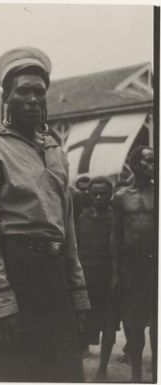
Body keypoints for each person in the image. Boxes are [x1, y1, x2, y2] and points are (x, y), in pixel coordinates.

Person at [0, 47, 90, 382]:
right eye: (23, 91)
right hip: (17, 279)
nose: (33, 99)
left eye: (39, 92)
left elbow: (69, 229)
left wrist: (78, 293)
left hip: (55, 280)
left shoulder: (56, 152)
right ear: (6, 97)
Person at [111, 146, 155, 382]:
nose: (153, 165)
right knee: (133, 321)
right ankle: (136, 375)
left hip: (155, 264)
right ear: (136, 164)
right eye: (149, 161)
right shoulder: (121, 197)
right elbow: (115, 237)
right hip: (131, 265)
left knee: (156, 322)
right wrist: (116, 273)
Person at [76, 176, 120, 381]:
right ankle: (77, 369)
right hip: (86, 281)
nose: (99, 197)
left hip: (109, 281)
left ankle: (102, 368)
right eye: (95, 194)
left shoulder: (117, 219)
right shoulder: (82, 219)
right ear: (89, 195)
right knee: (81, 325)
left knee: (109, 326)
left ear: (110, 195)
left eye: (103, 194)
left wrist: (115, 277)